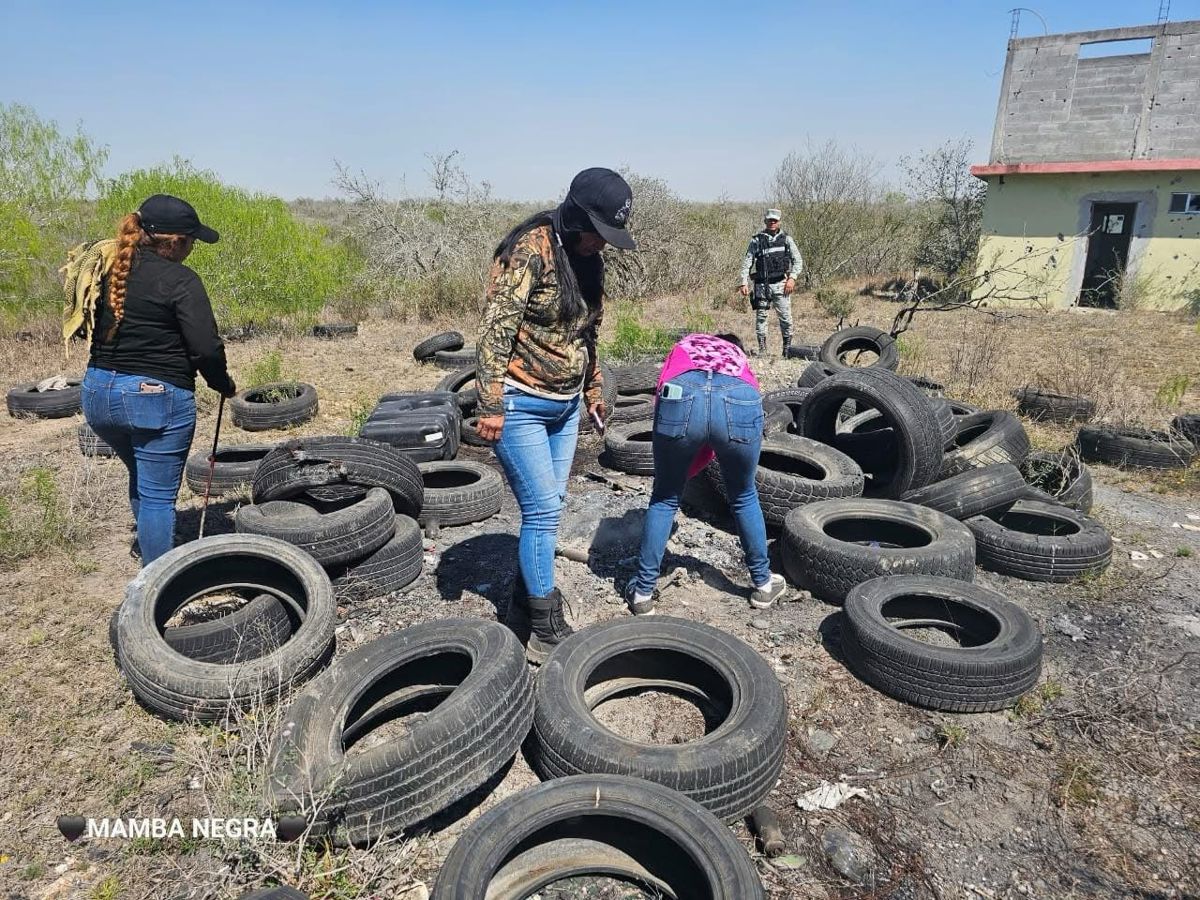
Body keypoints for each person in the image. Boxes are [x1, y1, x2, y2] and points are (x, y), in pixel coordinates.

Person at [475, 167, 636, 663]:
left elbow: (588, 334)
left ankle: (524, 605)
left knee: (552, 505)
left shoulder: (589, 261)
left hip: (566, 407)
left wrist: (592, 390)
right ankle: (545, 627)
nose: (601, 245)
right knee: (543, 511)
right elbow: (495, 330)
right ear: (574, 217)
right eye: (597, 233)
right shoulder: (531, 250)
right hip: (521, 402)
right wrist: (490, 403)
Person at [82, 195, 236, 565]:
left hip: (97, 393)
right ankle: (157, 585)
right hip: (153, 397)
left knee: (141, 473)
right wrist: (222, 383)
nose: (192, 247)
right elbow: (206, 348)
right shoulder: (181, 280)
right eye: (191, 240)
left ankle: (153, 548)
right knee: (157, 497)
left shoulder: (108, 269)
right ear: (174, 241)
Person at [626, 332, 787, 615]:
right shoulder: (737, 357)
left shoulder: (686, 344)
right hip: (740, 395)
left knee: (665, 497)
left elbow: (661, 393)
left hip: (681, 392)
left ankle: (642, 593)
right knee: (744, 495)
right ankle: (762, 584)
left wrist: (682, 463)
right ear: (733, 346)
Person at [738, 208, 803, 357]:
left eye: (775, 220)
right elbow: (747, 262)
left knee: (786, 318)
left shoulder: (787, 239)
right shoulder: (756, 240)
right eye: (769, 220)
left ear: (779, 221)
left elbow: (798, 261)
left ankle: (787, 351)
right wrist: (744, 282)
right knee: (761, 317)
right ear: (765, 221)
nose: (772, 223)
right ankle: (763, 350)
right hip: (761, 286)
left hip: (781, 285)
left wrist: (792, 278)